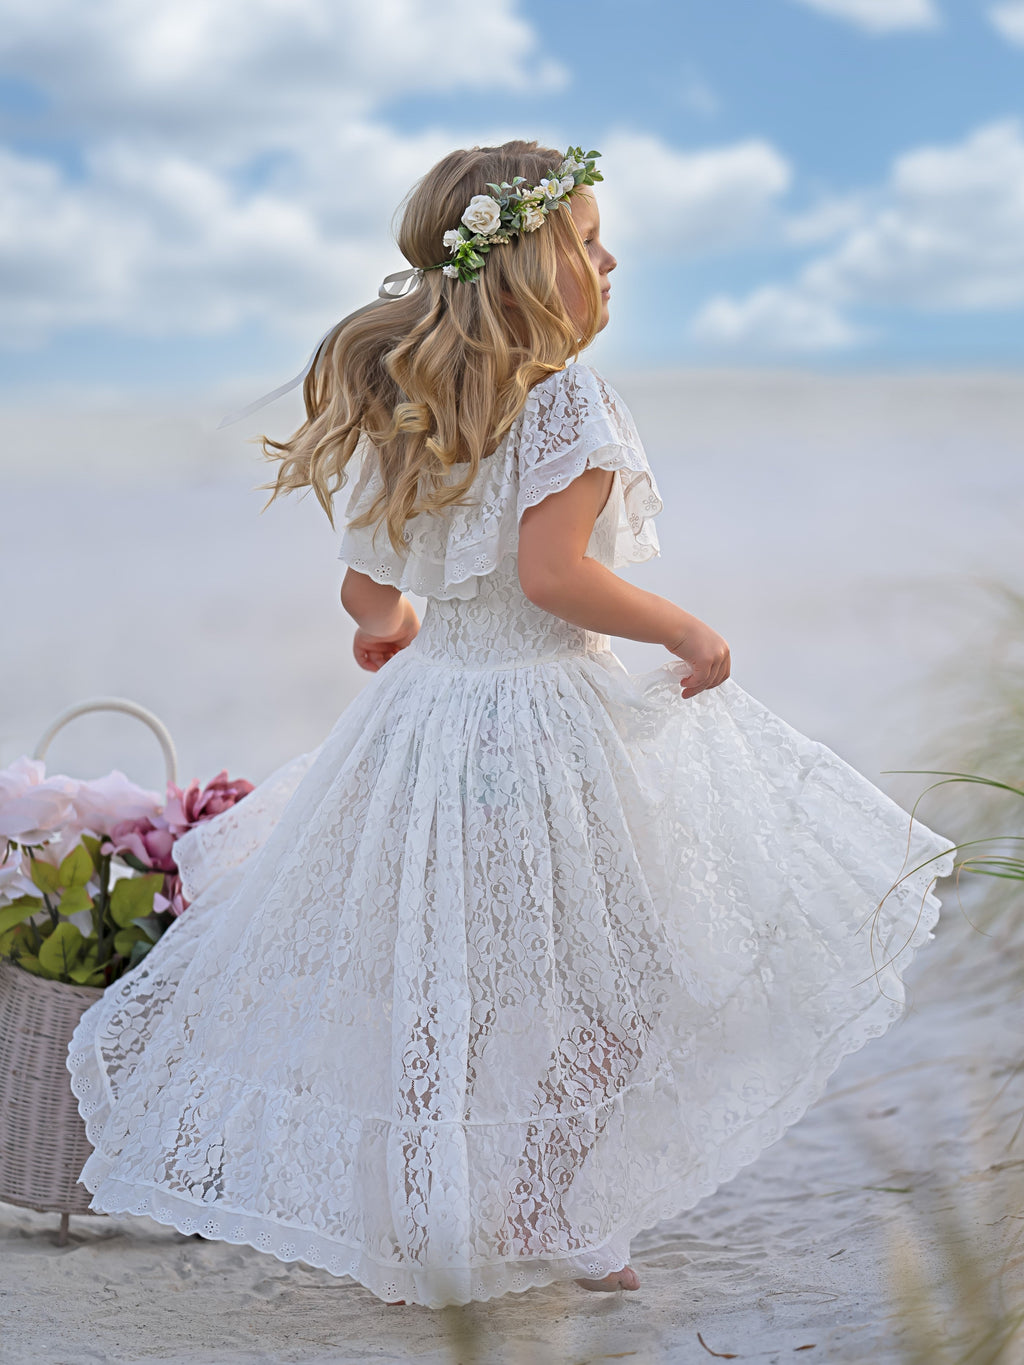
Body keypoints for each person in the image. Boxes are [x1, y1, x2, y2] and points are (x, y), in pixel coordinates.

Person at [67, 139, 958, 1311]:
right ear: (538, 264)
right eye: (591, 242)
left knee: (457, 979)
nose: (612, 257)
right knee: (615, 979)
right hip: (543, 727)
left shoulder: (411, 397)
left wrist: (384, 630)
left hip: (427, 730)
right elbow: (553, 576)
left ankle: (439, 1213)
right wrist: (687, 632)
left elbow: (369, 589)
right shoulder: (569, 401)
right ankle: (551, 1202)